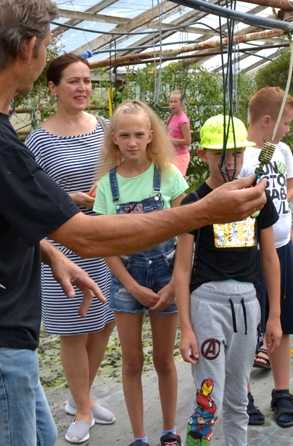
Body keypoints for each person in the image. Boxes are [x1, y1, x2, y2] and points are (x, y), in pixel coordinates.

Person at [0, 0, 267, 446]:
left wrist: (51, 256)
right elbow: (86, 235)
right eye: (47, 45)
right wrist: (203, 212)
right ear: (29, 47)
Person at [25, 53, 117, 444]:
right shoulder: (38, 140)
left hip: (108, 239)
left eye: (88, 81)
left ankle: (83, 394)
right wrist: (70, 199)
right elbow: (26, 197)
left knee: (106, 319)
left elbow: (125, 172)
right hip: (64, 246)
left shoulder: (107, 129)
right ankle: (81, 407)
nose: (83, 88)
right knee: (73, 328)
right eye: (73, 81)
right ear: (53, 88)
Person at [174, 115, 283, 446]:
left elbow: (269, 257)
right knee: (208, 399)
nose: (229, 161)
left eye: (236, 153)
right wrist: (187, 327)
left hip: (247, 307)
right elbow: (182, 267)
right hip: (207, 306)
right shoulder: (194, 203)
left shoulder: (255, 197)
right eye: (221, 153)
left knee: (238, 400)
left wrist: (274, 315)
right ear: (203, 153)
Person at [93, 101, 188, 446]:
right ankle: (138, 436)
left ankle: (168, 430)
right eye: (125, 135)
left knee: (164, 359)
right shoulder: (107, 185)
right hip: (125, 279)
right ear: (114, 139)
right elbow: (106, 245)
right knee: (132, 360)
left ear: (151, 136)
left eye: (138, 134)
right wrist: (131, 286)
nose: (132, 142)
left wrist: (176, 284)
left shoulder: (169, 175)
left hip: (166, 277)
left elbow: (185, 232)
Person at [239, 87, 293, 428]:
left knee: (282, 321)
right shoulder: (240, 157)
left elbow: (285, 194)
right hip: (250, 253)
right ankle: (243, 393)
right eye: (286, 123)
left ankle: (282, 391)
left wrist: (288, 240)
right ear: (267, 120)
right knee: (250, 325)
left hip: (280, 249)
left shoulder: (281, 150)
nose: (288, 130)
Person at [166, 90, 192, 176]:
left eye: (175, 101)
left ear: (181, 103)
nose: (173, 104)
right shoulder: (170, 118)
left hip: (181, 156)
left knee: (179, 183)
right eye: (171, 101)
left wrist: (171, 140)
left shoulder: (183, 120)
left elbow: (188, 141)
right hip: (171, 155)